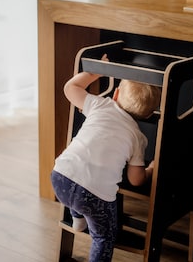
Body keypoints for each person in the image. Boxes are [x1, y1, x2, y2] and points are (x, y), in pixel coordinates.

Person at [51, 53, 161, 262]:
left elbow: (70, 89)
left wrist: (95, 72)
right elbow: (135, 179)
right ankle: (82, 219)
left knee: (77, 186)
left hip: (60, 177)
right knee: (104, 237)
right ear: (149, 114)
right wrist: (151, 169)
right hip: (95, 196)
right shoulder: (138, 137)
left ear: (116, 93)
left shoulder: (100, 104)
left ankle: (77, 219)